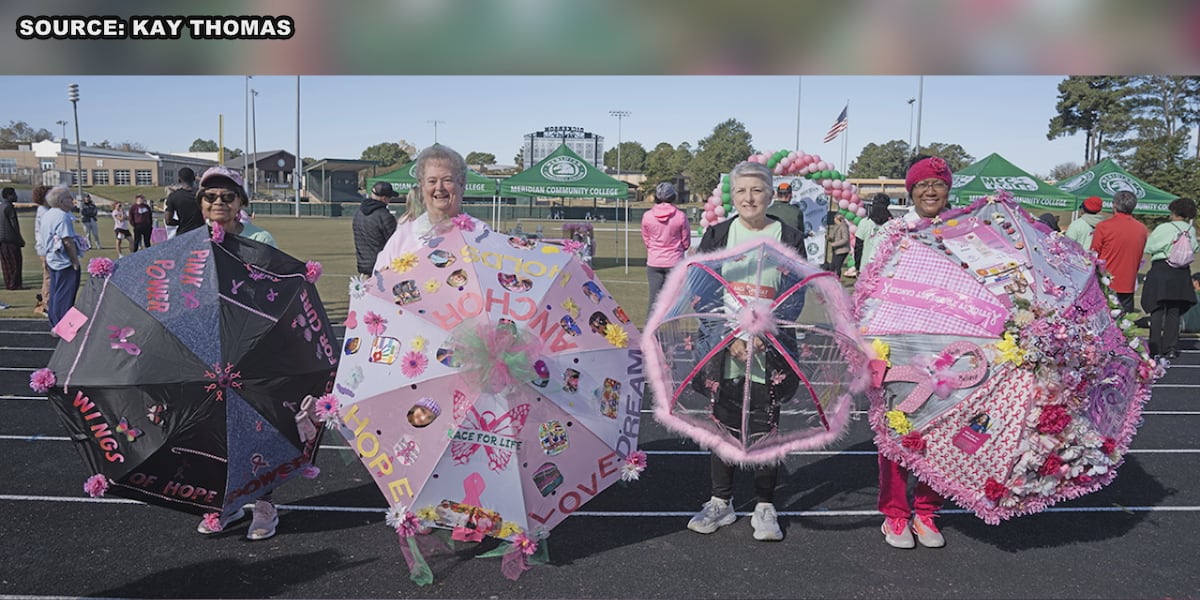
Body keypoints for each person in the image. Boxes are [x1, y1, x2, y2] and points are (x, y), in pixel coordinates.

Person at [686, 161, 806, 543]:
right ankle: (721, 501)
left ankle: (765, 505)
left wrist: (763, 335)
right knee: (722, 423)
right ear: (732, 196)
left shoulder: (787, 234)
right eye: (741, 191)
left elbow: (795, 293)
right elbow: (701, 292)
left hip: (770, 347)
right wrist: (729, 338)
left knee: (766, 424)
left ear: (771, 194)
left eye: (757, 190)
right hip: (725, 346)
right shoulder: (719, 233)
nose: (749, 198)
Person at [860, 155, 953, 549]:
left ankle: (928, 512)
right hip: (899, 347)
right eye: (922, 185)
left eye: (938, 183)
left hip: (951, 351)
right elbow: (867, 288)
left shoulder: (965, 231)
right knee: (897, 434)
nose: (930, 191)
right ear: (910, 190)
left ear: (948, 188)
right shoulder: (890, 233)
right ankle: (896, 516)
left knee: (944, 436)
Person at [192, 166, 278, 539]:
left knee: (256, 431)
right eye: (210, 197)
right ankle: (222, 503)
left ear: (241, 202)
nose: (219, 203)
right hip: (207, 350)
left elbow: (270, 291)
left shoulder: (260, 237)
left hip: (249, 350)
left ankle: (265, 505)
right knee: (212, 432)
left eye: (228, 196)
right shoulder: (190, 240)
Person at [373, 145, 489, 272]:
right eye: (432, 181)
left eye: (447, 180)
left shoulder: (481, 233)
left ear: (461, 184)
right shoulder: (404, 236)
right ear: (422, 185)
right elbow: (375, 286)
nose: (439, 187)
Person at [1140, 197, 1198, 359]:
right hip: (1181, 272)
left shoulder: (1164, 228)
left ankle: (1155, 346)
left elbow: (1150, 246)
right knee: (1174, 311)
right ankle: (1171, 347)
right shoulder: (1190, 230)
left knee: (1157, 309)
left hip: (1162, 268)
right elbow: (1195, 248)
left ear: (1173, 211)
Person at [1091, 190, 1149, 314]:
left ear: (1115, 205)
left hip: (1106, 282)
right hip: (1128, 282)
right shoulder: (1142, 229)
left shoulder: (1103, 226)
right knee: (1124, 323)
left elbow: (1093, 253)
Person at [641, 181, 691, 309]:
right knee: (674, 301)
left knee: (654, 300)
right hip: (674, 261)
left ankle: (651, 328)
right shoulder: (680, 216)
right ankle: (672, 328)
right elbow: (686, 241)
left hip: (654, 261)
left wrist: (654, 249)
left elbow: (646, 239)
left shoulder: (647, 216)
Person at [39, 186, 82, 327]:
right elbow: (67, 240)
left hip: (52, 259)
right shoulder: (62, 217)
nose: (72, 201)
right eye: (70, 198)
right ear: (61, 201)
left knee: (56, 292)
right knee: (66, 294)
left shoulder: (49, 214)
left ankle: (55, 323)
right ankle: (64, 326)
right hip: (63, 261)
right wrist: (75, 261)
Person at [353, 181, 399, 276]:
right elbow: (395, 243)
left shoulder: (358, 213)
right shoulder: (384, 216)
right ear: (384, 198)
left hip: (363, 266)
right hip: (381, 268)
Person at [856, 193, 893, 270]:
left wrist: (857, 265)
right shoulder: (892, 224)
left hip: (865, 267)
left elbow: (858, 247)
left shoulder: (864, 223)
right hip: (885, 268)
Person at [164, 166, 205, 236]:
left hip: (183, 233)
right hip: (201, 233)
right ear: (194, 179)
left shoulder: (173, 196)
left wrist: (180, 222)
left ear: (179, 180)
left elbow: (168, 220)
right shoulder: (201, 195)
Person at [31, 185, 51, 316]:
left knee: (48, 276)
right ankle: (46, 304)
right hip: (46, 248)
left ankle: (45, 301)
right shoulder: (44, 211)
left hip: (44, 248)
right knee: (49, 277)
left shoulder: (44, 210)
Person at [1, 187, 25, 293]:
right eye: (14, 194)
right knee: (15, 263)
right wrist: (20, 239)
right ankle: (15, 284)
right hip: (10, 240)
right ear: (8, 195)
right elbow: (14, 225)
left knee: (6, 263)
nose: (16, 196)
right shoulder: (9, 207)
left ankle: (9, 283)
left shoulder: (1, 206)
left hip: (2, 240)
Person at [827, 212, 851, 279]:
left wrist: (834, 244)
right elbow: (836, 238)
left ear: (838, 219)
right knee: (832, 266)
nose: (834, 219)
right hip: (836, 250)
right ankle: (831, 280)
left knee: (838, 267)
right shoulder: (836, 226)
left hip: (842, 250)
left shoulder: (844, 227)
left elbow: (845, 239)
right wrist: (829, 238)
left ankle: (837, 280)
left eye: (835, 218)